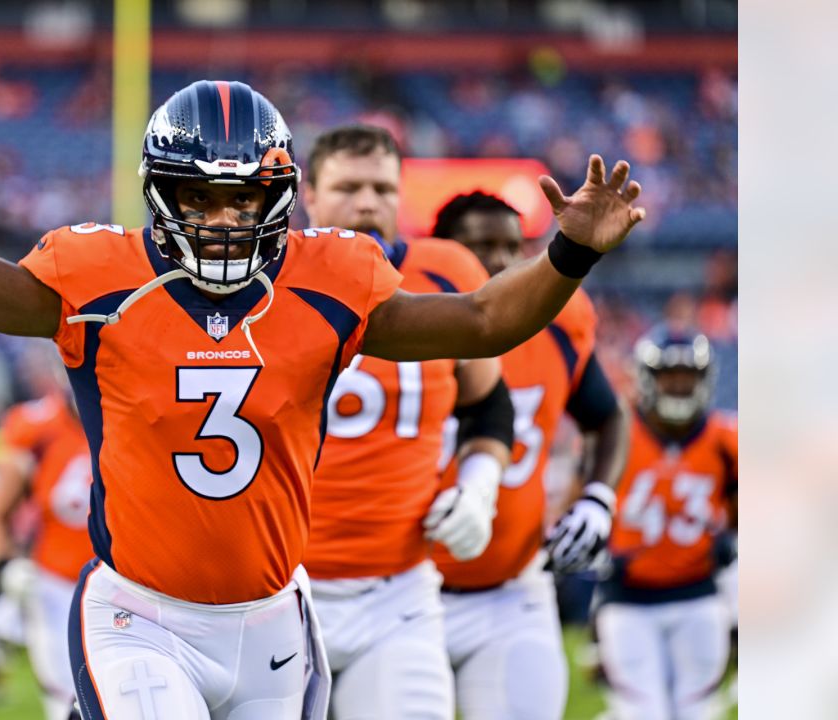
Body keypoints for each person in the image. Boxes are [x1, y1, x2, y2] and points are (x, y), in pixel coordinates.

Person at [0, 51, 645, 719]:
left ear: (279, 197)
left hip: (274, 624)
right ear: (160, 193)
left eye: (244, 197)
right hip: (141, 614)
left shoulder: (331, 278)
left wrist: (570, 252)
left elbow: (480, 323)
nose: (221, 219)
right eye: (197, 196)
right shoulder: (99, 276)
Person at [300, 125, 514, 719]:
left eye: (383, 187)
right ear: (308, 193)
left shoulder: (447, 269)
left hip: (397, 591)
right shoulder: (264, 279)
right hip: (273, 590)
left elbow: (489, 402)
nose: (368, 202)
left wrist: (479, 487)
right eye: (348, 186)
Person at [431, 191, 631, 719]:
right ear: (439, 254)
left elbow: (607, 415)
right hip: (404, 590)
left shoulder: (560, 321)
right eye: (479, 247)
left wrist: (598, 498)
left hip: (512, 590)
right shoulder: (399, 327)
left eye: (511, 248)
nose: (499, 262)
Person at [595, 326, 736, 720]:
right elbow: (582, 503)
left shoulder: (726, 440)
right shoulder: (618, 433)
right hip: (628, 599)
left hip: (700, 596)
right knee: (643, 712)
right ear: (647, 378)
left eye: (686, 376)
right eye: (669, 376)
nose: (677, 385)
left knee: (696, 711)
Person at [0, 353, 94, 720]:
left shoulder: (130, 418)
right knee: (66, 697)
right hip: (57, 582)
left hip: (125, 582)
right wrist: (5, 566)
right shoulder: (36, 425)